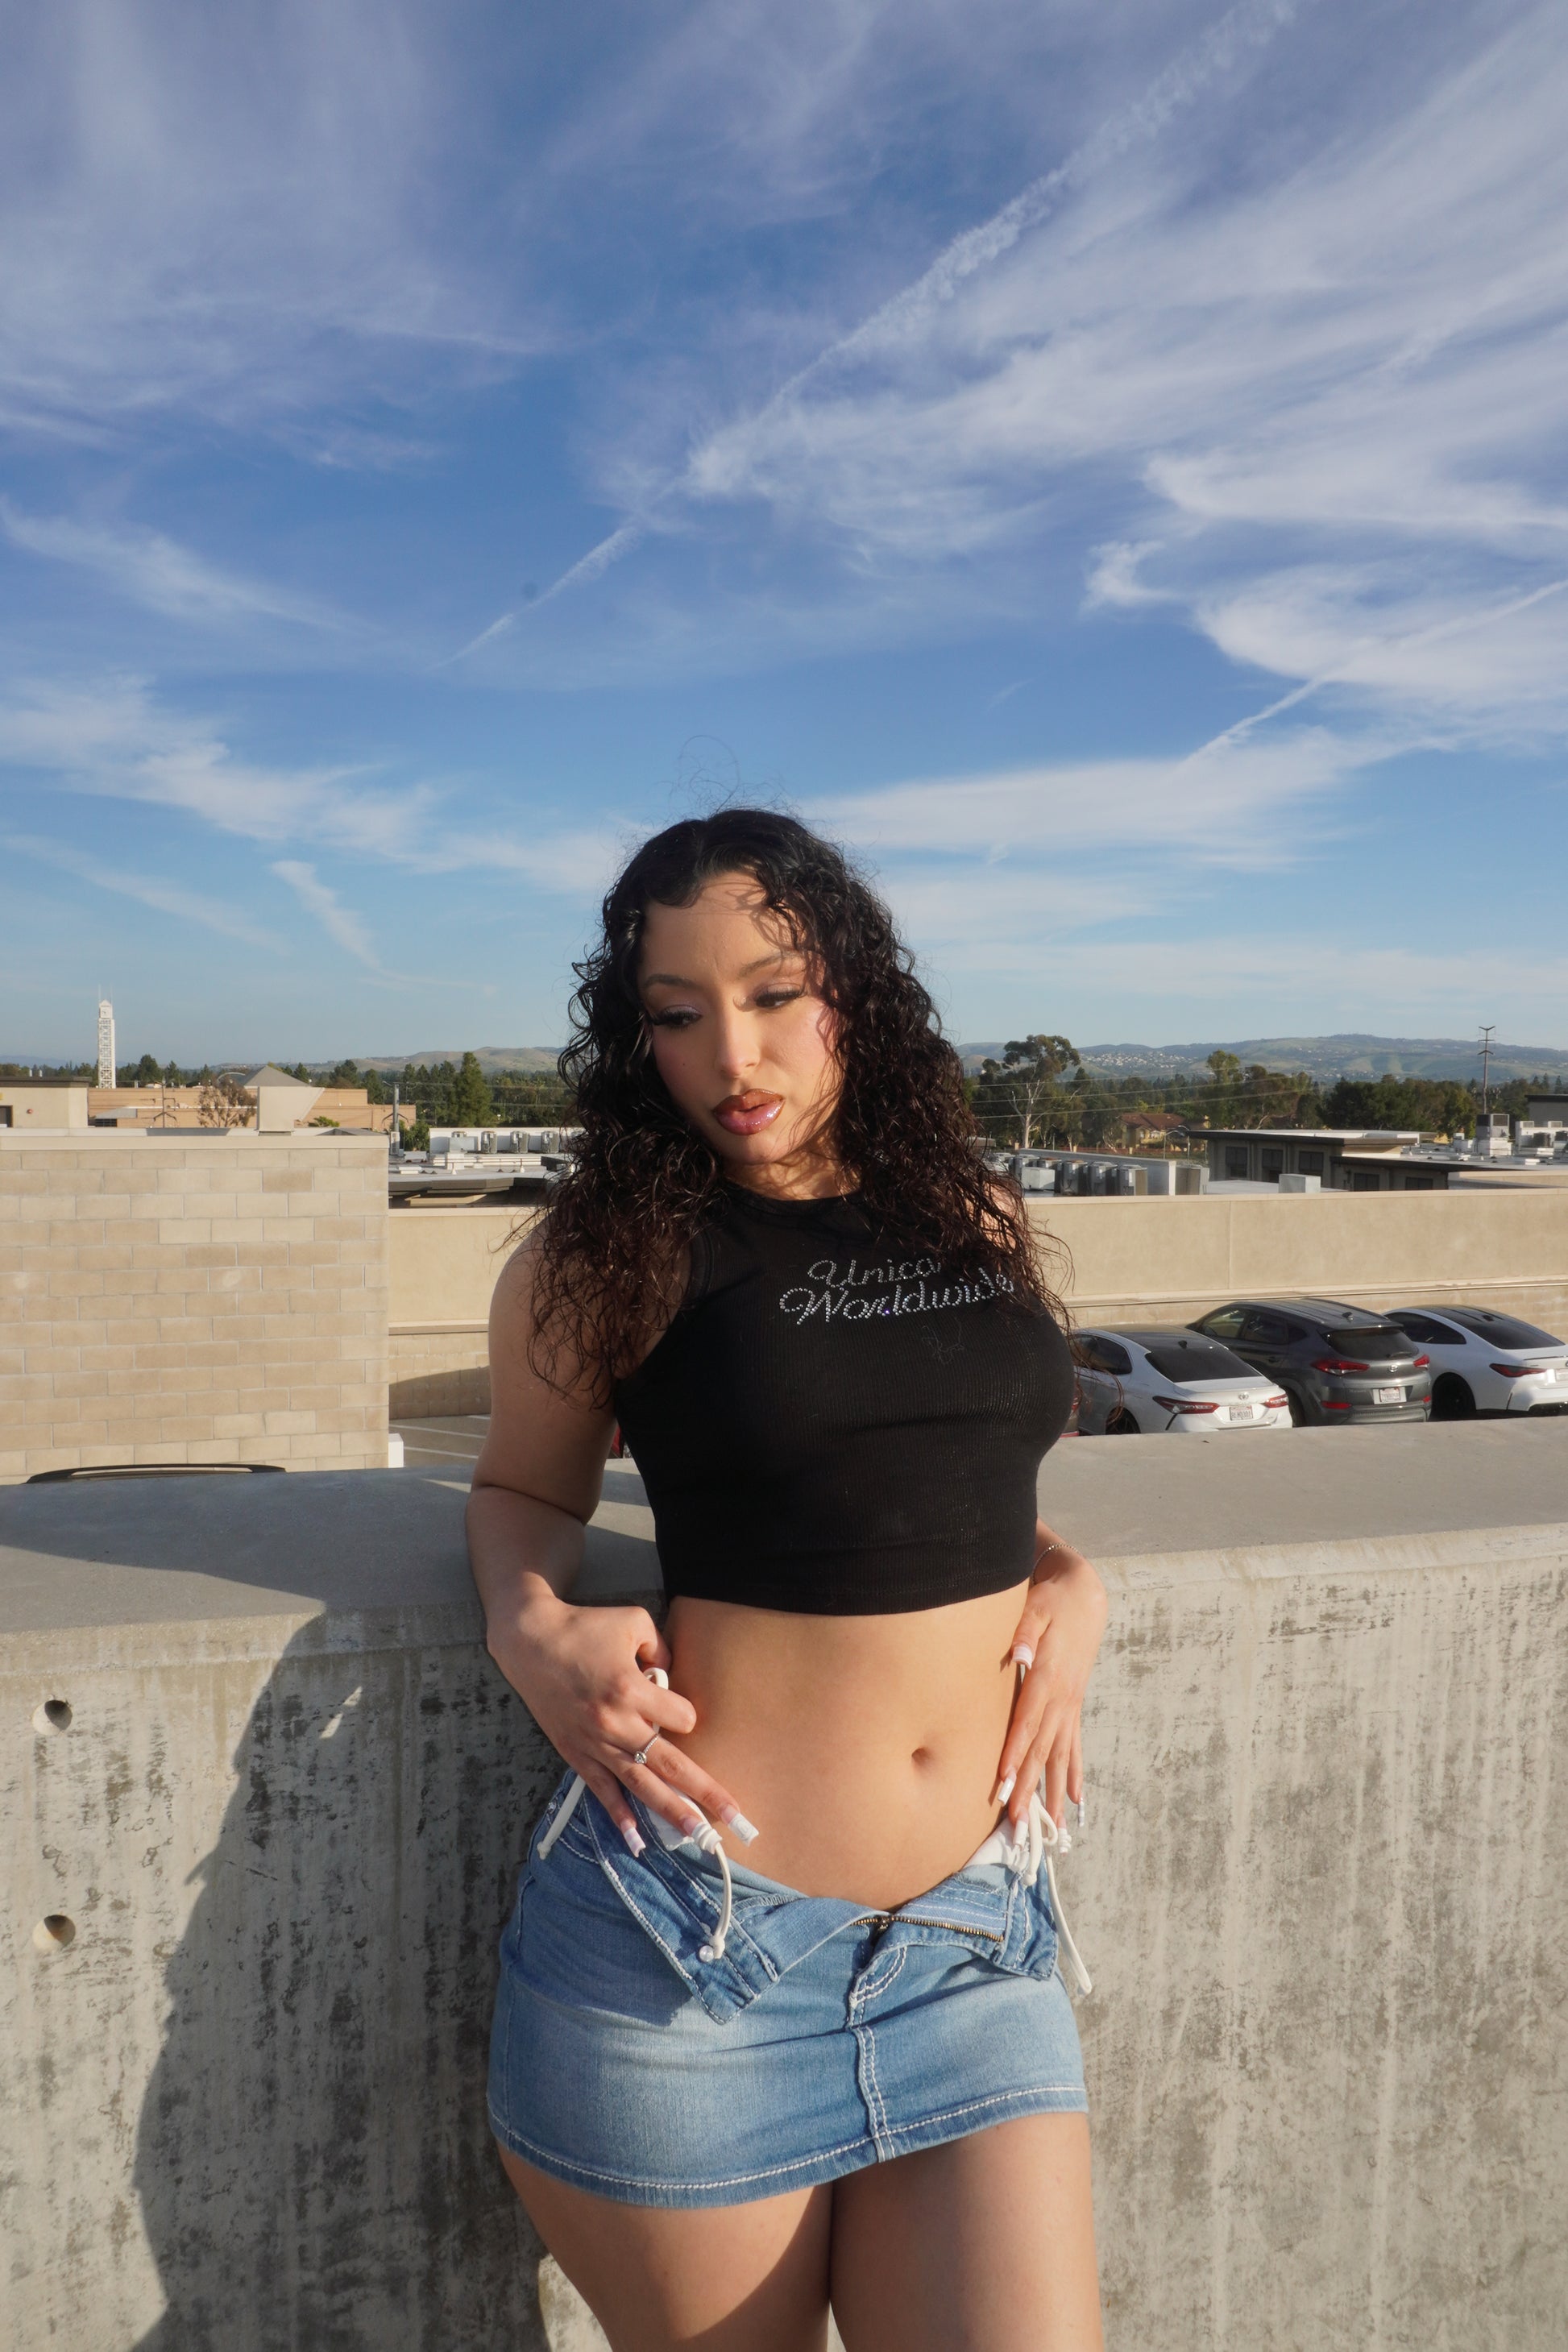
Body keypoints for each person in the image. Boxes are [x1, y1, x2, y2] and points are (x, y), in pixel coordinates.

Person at [468, 810, 1108, 2352]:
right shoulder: (607, 1253)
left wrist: (1072, 1581)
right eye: (676, 1015)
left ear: (853, 994)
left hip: (972, 1942)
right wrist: (530, 1622)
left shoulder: (970, 1212)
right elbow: (522, 1492)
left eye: (771, 996)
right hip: (693, 1960)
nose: (730, 1056)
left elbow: (950, 1486)